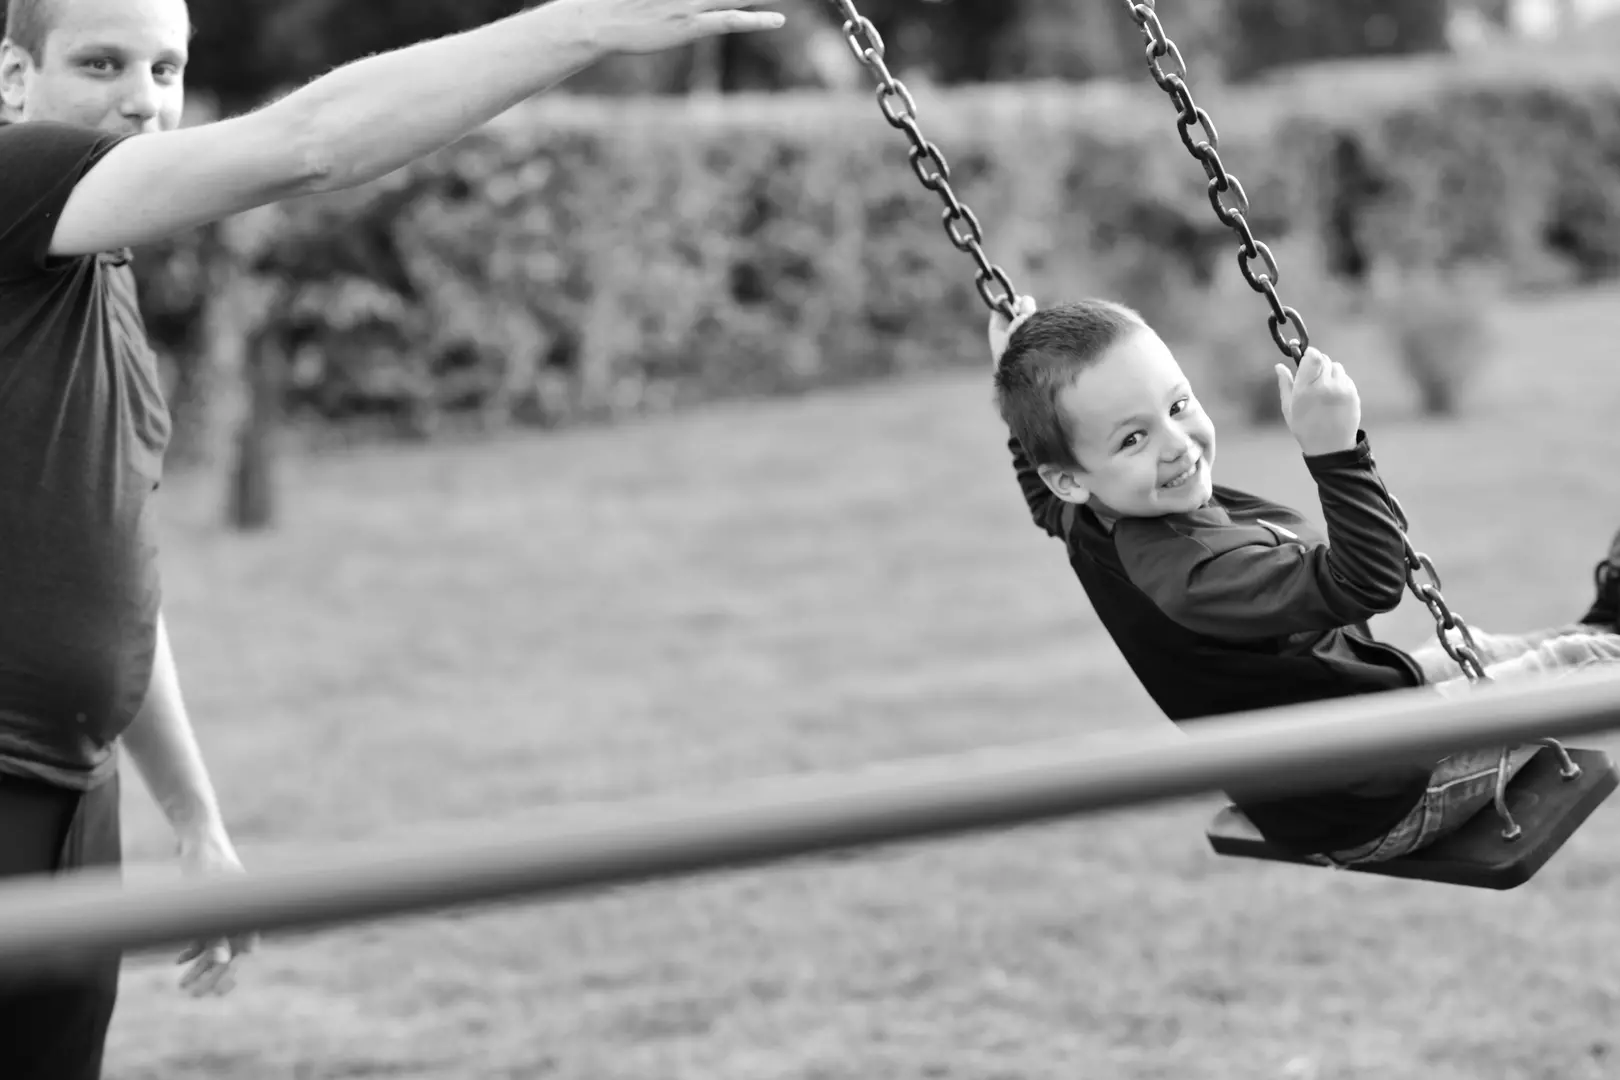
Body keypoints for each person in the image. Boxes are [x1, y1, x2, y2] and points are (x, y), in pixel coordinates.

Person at [0, 0, 787, 1076]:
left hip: (73, 800)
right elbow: (311, 144)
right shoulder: (12, 180)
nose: (143, 101)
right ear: (12, 79)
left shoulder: (96, 274)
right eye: (101, 65)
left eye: (166, 69)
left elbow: (110, 572)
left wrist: (195, 818)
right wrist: (580, 26)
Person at [985, 293, 1620, 867]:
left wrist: (1017, 385)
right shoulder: (1199, 575)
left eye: (1177, 405)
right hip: (1381, 795)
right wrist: (1334, 452)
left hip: (1346, 746)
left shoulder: (1090, 516)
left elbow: (1044, 500)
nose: (1176, 443)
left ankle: (1605, 625)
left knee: (1483, 648)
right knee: (1576, 666)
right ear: (1070, 477)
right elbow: (1365, 582)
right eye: (1132, 439)